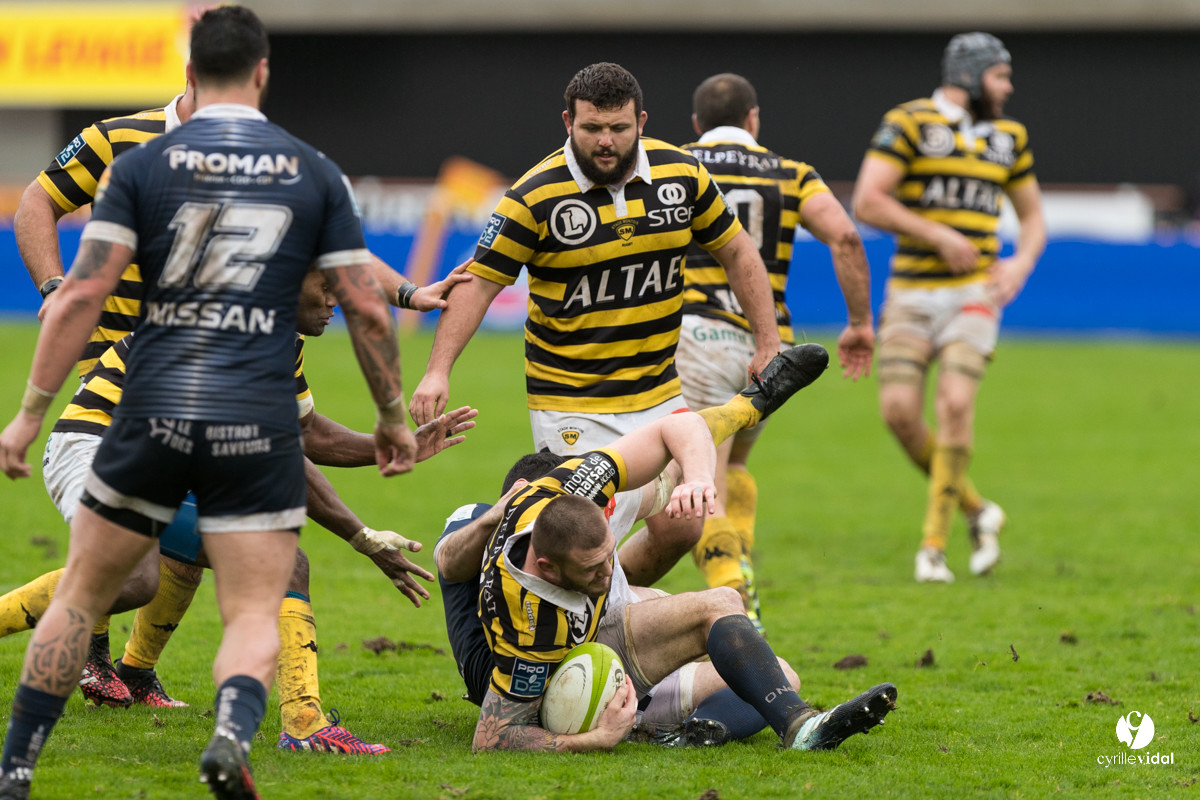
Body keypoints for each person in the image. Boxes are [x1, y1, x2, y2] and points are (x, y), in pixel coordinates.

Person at [0, 7, 412, 798]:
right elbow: (364, 305)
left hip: (147, 400)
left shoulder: (142, 166)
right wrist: (392, 419)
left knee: (85, 593)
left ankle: (17, 768)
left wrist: (28, 412)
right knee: (258, 602)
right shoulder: (310, 170)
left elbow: (81, 294)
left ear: (191, 73)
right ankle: (230, 737)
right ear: (263, 73)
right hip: (244, 414)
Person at [0, 268, 476, 755]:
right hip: (96, 446)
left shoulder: (278, 337)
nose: (338, 300)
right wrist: (362, 537)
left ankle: (305, 726)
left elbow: (306, 432)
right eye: (327, 286)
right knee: (136, 578)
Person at [410, 62, 783, 588]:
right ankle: (540, 610)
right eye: (592, 128)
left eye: (618, 128)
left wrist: (768, 340)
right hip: (572, 401)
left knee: (683, 525)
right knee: (583, 538)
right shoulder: (533, 195)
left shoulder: (683, 175)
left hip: (658, 391)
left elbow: (738, 251)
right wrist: (437, 370)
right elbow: (479, 285)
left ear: (641, 122)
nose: (606, 141)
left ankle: (606, 611)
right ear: (568, 122)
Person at [464, 341, 897, 753]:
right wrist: (597, 739)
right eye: (593, 567)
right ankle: (788, 728)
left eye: (608, 556)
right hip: (569, 680)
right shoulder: (529, 625)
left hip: (606, 630)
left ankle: (732, 731)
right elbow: (493, 737)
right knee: (705, 609)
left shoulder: (582, 491)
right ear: (547, 567)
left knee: (777, 671)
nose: (609, 570)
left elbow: (678, 428)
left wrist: (702, 474)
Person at [677, 73, 875, 631]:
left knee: (701, 477)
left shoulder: (675, 164)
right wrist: (860, 323)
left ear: (696, 123)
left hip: (696, 335)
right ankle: (739, 567)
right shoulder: (793, 173)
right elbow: (846, 237)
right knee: (734, 464)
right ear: (753, 119)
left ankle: (734, 596)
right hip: (768, 346)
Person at [851, 32, 1046, 583]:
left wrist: (1020, 265)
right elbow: (868, 200)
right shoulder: (910, 122)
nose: (1008, 88)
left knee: (956, 404)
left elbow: (1033, 218)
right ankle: (978, 511)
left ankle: (932, 548)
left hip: (974, 294)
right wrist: (937, 234)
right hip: (911, 293)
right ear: (971, 76)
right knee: (899, 413)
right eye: (1000, 76)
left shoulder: (1009, 137)